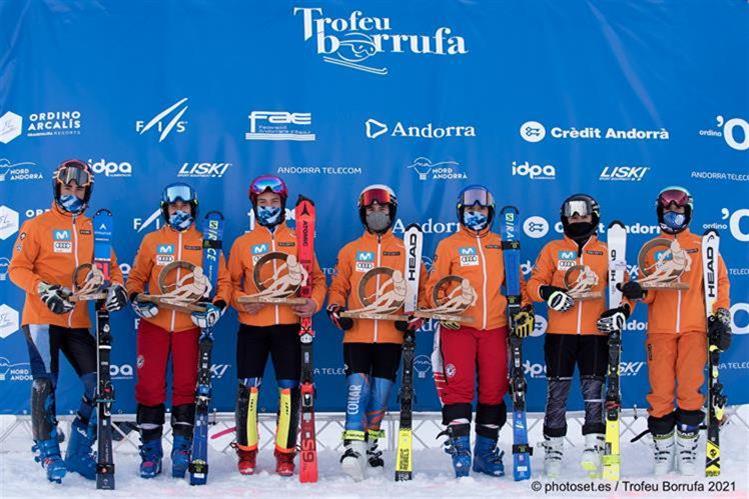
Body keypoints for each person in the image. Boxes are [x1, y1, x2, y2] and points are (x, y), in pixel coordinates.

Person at [8, 159, 128, 483]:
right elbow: (16, 268)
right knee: (46, 381)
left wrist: (117, 289)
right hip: (43, 317)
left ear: (87, 191)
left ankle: (78, 447)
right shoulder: (38, 226)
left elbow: (112, 272)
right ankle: (48, 451)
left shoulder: (94, 231)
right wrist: (43, 288)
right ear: (57, 187)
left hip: (78, 322)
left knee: (97, 384)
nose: (72, 192)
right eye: (67, 186)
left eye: (79, 187)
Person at [620, 186, 731, 476]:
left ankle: (687, 447)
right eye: (668, 211)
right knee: (661, 391)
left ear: (688, 212)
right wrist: (638, 290)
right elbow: (650, 293)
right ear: (660, 213)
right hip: (661, 330)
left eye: (678, 210)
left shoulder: (702, 246)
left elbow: (719, 285)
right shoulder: (652, 249)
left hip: (695, 329)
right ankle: (663, 449)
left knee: (690, 388)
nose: (673, 215)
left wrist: (720, 317)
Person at [427, 185, 534, 478]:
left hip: (496, 328)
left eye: (482, 210)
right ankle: (460, 448)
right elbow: (433, 286)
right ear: (461, 212)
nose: (477, 215)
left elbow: (518, 288)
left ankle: (485, 453)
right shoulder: (448, 245)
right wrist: (442, 308)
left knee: (493, 389)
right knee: (459, 388)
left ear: (490, 213)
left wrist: (525, 308)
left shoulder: (502, 244)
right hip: (459, 326)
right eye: (471, 211)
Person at [126, 182, 231, 479]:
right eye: (174, 207)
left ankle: (183, 446)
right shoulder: (152, 240)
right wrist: (137, 300)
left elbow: (223, 283)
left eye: (184, 206)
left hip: (189, 325)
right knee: (149, 386)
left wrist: (217, 307)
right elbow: (134, 279)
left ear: (193, 209)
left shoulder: (207, 243)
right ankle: (151, 450)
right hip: (155, 324)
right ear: (165, 210)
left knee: (186, 385)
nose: (179, 211)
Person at [526, 194, 633, 478]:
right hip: (560, 334)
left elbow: (625, 289)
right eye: (571, 214)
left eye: (582, 214)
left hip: (595, 333)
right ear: (564, 217)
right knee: (557, 394)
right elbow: (533, 284)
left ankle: (593, 445)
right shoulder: (552, 249)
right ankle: (554, 448)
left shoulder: (608, 251)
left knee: (593, 393)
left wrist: (623, 311)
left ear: (593, 217)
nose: (577, 219)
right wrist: (548, 293)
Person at [227, 174, 326, 477]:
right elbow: (228, 285)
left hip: (288, 326)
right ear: (254, 206)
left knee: (289, 390)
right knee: (249, 389)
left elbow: (318, 280)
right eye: (262, 202)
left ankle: (286, 454)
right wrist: (241, 300)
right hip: (253, 327)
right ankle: (246, 452)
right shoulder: (243, 243)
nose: (268, 207)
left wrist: (314, 303)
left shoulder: (299, 239)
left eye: (273, 202)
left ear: (284, 205)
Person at [326, 184, 426, 481]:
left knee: (381, 394)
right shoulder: (351, 251)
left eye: (382, 209)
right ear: (362, 214)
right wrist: (335, 309)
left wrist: (415, 315)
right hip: (357, 333)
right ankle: (352, 445)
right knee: (358, 389)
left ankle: (371, 445)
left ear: (392, 212)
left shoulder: (407, 249)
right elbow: (339, 287)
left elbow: (422, 288)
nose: (377, 215)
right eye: (371, 210)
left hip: (391, 335)